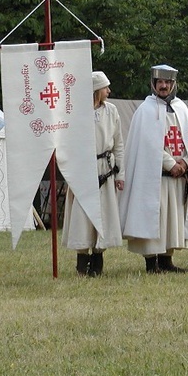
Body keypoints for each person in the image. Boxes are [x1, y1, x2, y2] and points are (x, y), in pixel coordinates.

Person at [118, 65, 188, 273]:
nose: (164, 86)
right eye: (160, 82)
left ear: (173, 84)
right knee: (154, 217)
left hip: (178, 177)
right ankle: (152, 263)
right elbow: (148, 144)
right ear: (153, 83)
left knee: (172, 218)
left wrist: (185, 163)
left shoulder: (182, 109)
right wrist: (170, 164)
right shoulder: (145, 110)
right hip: (155, 177)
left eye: (167, 82)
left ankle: (167, 260)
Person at [62, 71, 125, 276]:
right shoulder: (76, 112)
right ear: (97, 90)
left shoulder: (112, 110)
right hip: (83, 169)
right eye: (106, 87)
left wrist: (120, 173)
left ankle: (98, 260)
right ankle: (82, 261)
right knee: (82, 216)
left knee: (104, 214)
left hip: (105, 168)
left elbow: (118, 143)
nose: (109, 90)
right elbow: (66, 144)